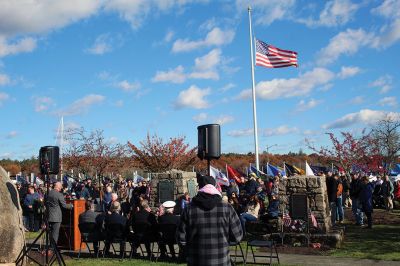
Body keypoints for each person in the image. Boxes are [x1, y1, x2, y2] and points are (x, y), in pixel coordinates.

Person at [177, 175, 243, 266]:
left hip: (196, 260)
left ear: (199, 188)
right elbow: (237, 236)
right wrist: (223, 242)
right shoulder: (227, 208)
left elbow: (181, 239)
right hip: (221, 260)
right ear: (215, 187)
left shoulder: (189, 209)